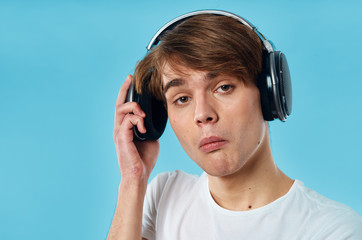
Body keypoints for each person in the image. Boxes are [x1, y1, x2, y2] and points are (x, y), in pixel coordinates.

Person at [107, 10, 362, 240]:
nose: (203, 114)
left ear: (267, 92)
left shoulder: (333, 229)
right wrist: (132, 180)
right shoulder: (162, 195)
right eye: (182, 99)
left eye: (223, 87)